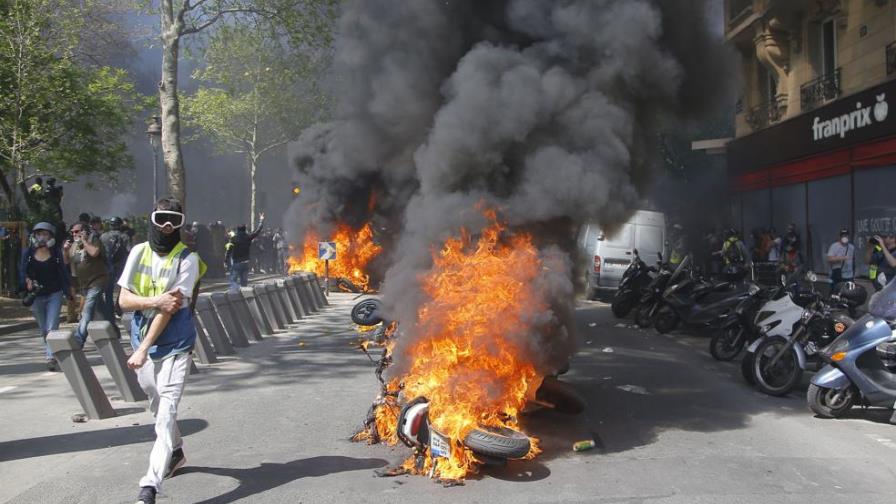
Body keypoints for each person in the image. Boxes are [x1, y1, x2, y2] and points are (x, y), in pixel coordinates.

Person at [119, 198, 205, 504]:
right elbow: (124, 300)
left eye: (174, 221)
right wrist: (153, 301)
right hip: (142, 338)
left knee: (166, 410)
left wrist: (143, 347)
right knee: (156, 402)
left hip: (175, 344)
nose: (167, 226)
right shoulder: (138, 252)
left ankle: (150, 486)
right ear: (153, 220)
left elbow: (170, 309)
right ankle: (176, 451)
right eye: (162, 219)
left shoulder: (187, 259)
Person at [19, 222, 70, 371]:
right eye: (39, 234)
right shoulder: (27, 254)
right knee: (43, 329)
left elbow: (63, 271)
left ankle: (50, 357)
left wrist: (69, 290)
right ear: (34, 236)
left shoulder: (56, 254)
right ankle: (51, 350)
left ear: (51, 237)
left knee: (51, 327)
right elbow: (22, 272)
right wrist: (26, 282)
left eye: (45, 234)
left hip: (55, 293)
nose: (42, 237)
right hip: (36, 296)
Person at [65, 221, 113, 347]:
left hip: (98, 280)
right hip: (84, 284)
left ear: (85, 231)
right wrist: (65, 249)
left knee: (87, 310)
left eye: (77, 231)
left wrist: (85, 241)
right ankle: (112, 331)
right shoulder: (74, 245)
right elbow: (67, 261)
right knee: (100, 310)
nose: (74, 234)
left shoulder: (94, 239)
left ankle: (79, 339)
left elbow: (94, 253)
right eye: (72, 232)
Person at [225, 214, 264, 292]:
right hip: (246, 262)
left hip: (236, 262)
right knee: (244, 281)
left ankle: (234, 293)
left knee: (233, 280)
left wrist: (226, 260)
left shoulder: (233, 239)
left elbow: (229, 250)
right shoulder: (248, 237)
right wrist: (261, 220)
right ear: (244, 230)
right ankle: (244, 294)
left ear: (237, 230)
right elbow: (257, 232)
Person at [101, 217, 131, 317]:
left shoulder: (103, 236)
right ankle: (118, 307)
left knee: (108, 291)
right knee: (123, 288)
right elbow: (129, 251)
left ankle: (109, 312)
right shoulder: (124, 237)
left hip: (107, 266)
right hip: (121, 266)